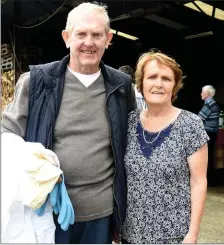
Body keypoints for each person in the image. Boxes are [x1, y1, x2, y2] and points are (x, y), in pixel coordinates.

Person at [1, 2, 136, 244]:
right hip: (46, 211)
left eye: (97, 35)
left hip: (100, 214)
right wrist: (41, 168)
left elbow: (131, 142)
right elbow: (7, 138)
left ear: (108, 39)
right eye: (81, 34)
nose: (89, 42)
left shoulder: (121, 86)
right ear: (66, 37)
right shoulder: (35, 82)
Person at [121, 51, 209, 244]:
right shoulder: (129, 121)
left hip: (173, 235)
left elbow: (198, 182)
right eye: (152, 77)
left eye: (166, 79)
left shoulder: (190, 124)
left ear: (175, 85)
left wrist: (192, 234)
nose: (158, 84)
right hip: (130, 233)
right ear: (141, 83)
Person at [198, 85, 220, 186]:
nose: (201, 94)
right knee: (210, 156)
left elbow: (199, 119)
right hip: (213, 134)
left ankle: (208, 180)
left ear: (207, 93)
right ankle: (212, 180)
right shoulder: (215, 104)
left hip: (207, 134)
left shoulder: (209, 104)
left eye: (202, 92)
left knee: (205, 157)